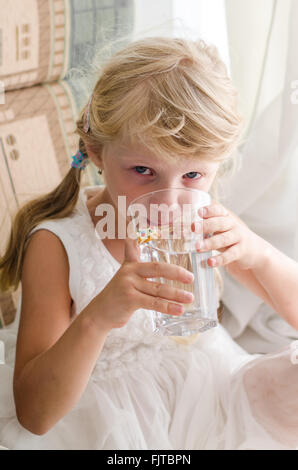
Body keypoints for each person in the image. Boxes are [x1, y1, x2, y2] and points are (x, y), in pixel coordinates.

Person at [0, 36, 298, 450]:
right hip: (102, 416)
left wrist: (257, 253)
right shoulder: (57, 245)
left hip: (203, 388)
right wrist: (100, 315)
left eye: (193, 176)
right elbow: (35, 414)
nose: (169, 201)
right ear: (96, 152)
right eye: (143, 170)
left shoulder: (199, 222)